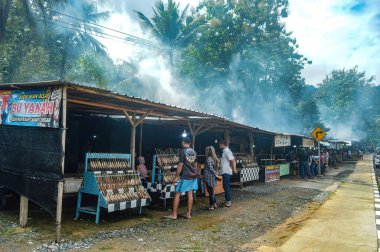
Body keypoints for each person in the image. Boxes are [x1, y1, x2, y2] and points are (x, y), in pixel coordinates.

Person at [164, 137, 198, 220]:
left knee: (177, 194)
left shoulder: (182, 151)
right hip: (193, 175)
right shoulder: (194, 151)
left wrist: (176, 177)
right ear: (189, 143)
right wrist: (193, 172)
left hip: (185, 176)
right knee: (190, 194)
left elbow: (180, 165)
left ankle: (174, 214)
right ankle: (188, 214)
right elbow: (195, 164)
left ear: (183, 142)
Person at [219, 140, 237, 207]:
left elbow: (232, 160)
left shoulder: (227, 151)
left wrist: (233, 169)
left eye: (219, 144)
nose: (219, 146)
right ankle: (227, 200)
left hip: (226, 171)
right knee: (225, 186)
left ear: (222, 144)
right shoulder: (225, 151)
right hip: (225, 171)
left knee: (226, 186)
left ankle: (229, 201)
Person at [204, 146, 220, 210]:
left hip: (209, 177)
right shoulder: (215, 158)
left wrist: (215, 174)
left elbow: (210, 169)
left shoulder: (209, 159)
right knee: (212, 191)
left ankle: (211, 206)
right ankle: (214, 204)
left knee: (210, 192)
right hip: (213, 177)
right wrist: (216, 174)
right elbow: (216, 168)